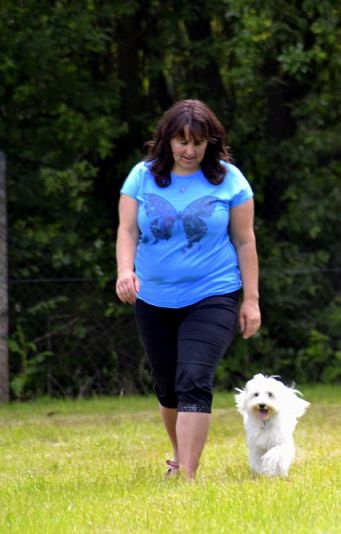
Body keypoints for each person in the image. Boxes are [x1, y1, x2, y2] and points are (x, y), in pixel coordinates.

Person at [115, 99, 260, 481]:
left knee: (193, 378)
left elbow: (245, 242)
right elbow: (127, 230)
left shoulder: (230, 180)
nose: (190, 150)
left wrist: (251, 300)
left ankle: (188, 478)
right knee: (167, 386)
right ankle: (179, 456)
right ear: (166, 140)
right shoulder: (142, 177)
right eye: (181, 141)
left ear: (211, 142)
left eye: (198, 142)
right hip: (154, 297)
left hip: (214, 292)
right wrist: (124, 270)